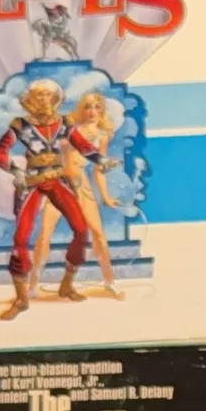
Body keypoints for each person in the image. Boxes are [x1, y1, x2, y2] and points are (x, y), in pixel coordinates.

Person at [0, 78, 96, 318]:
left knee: (81, 230)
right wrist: (16, 171)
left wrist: (101, 160)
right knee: (21, 238)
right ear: (29, 99)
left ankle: (67, 284)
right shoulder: (20, 125)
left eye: (48, 95)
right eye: (39, 95)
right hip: (33, 181)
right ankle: (21, 299)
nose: (44, 100)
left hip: (58, 179)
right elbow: (0, 152)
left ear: (55, 99)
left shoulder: (65, 122)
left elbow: (82, 145)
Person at [30, 89, 123, 296]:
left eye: (97, 107)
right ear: (82, 109)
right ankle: (32, 285)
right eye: (88, 107)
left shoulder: (103, 136)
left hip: (81, 185)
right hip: (59, 184)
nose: (92, 111)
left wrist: (106, 196)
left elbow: (99, 169)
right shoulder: (68, 128)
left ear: (102, 111)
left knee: (98, 234)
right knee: (44, 234)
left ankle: (110, 281)